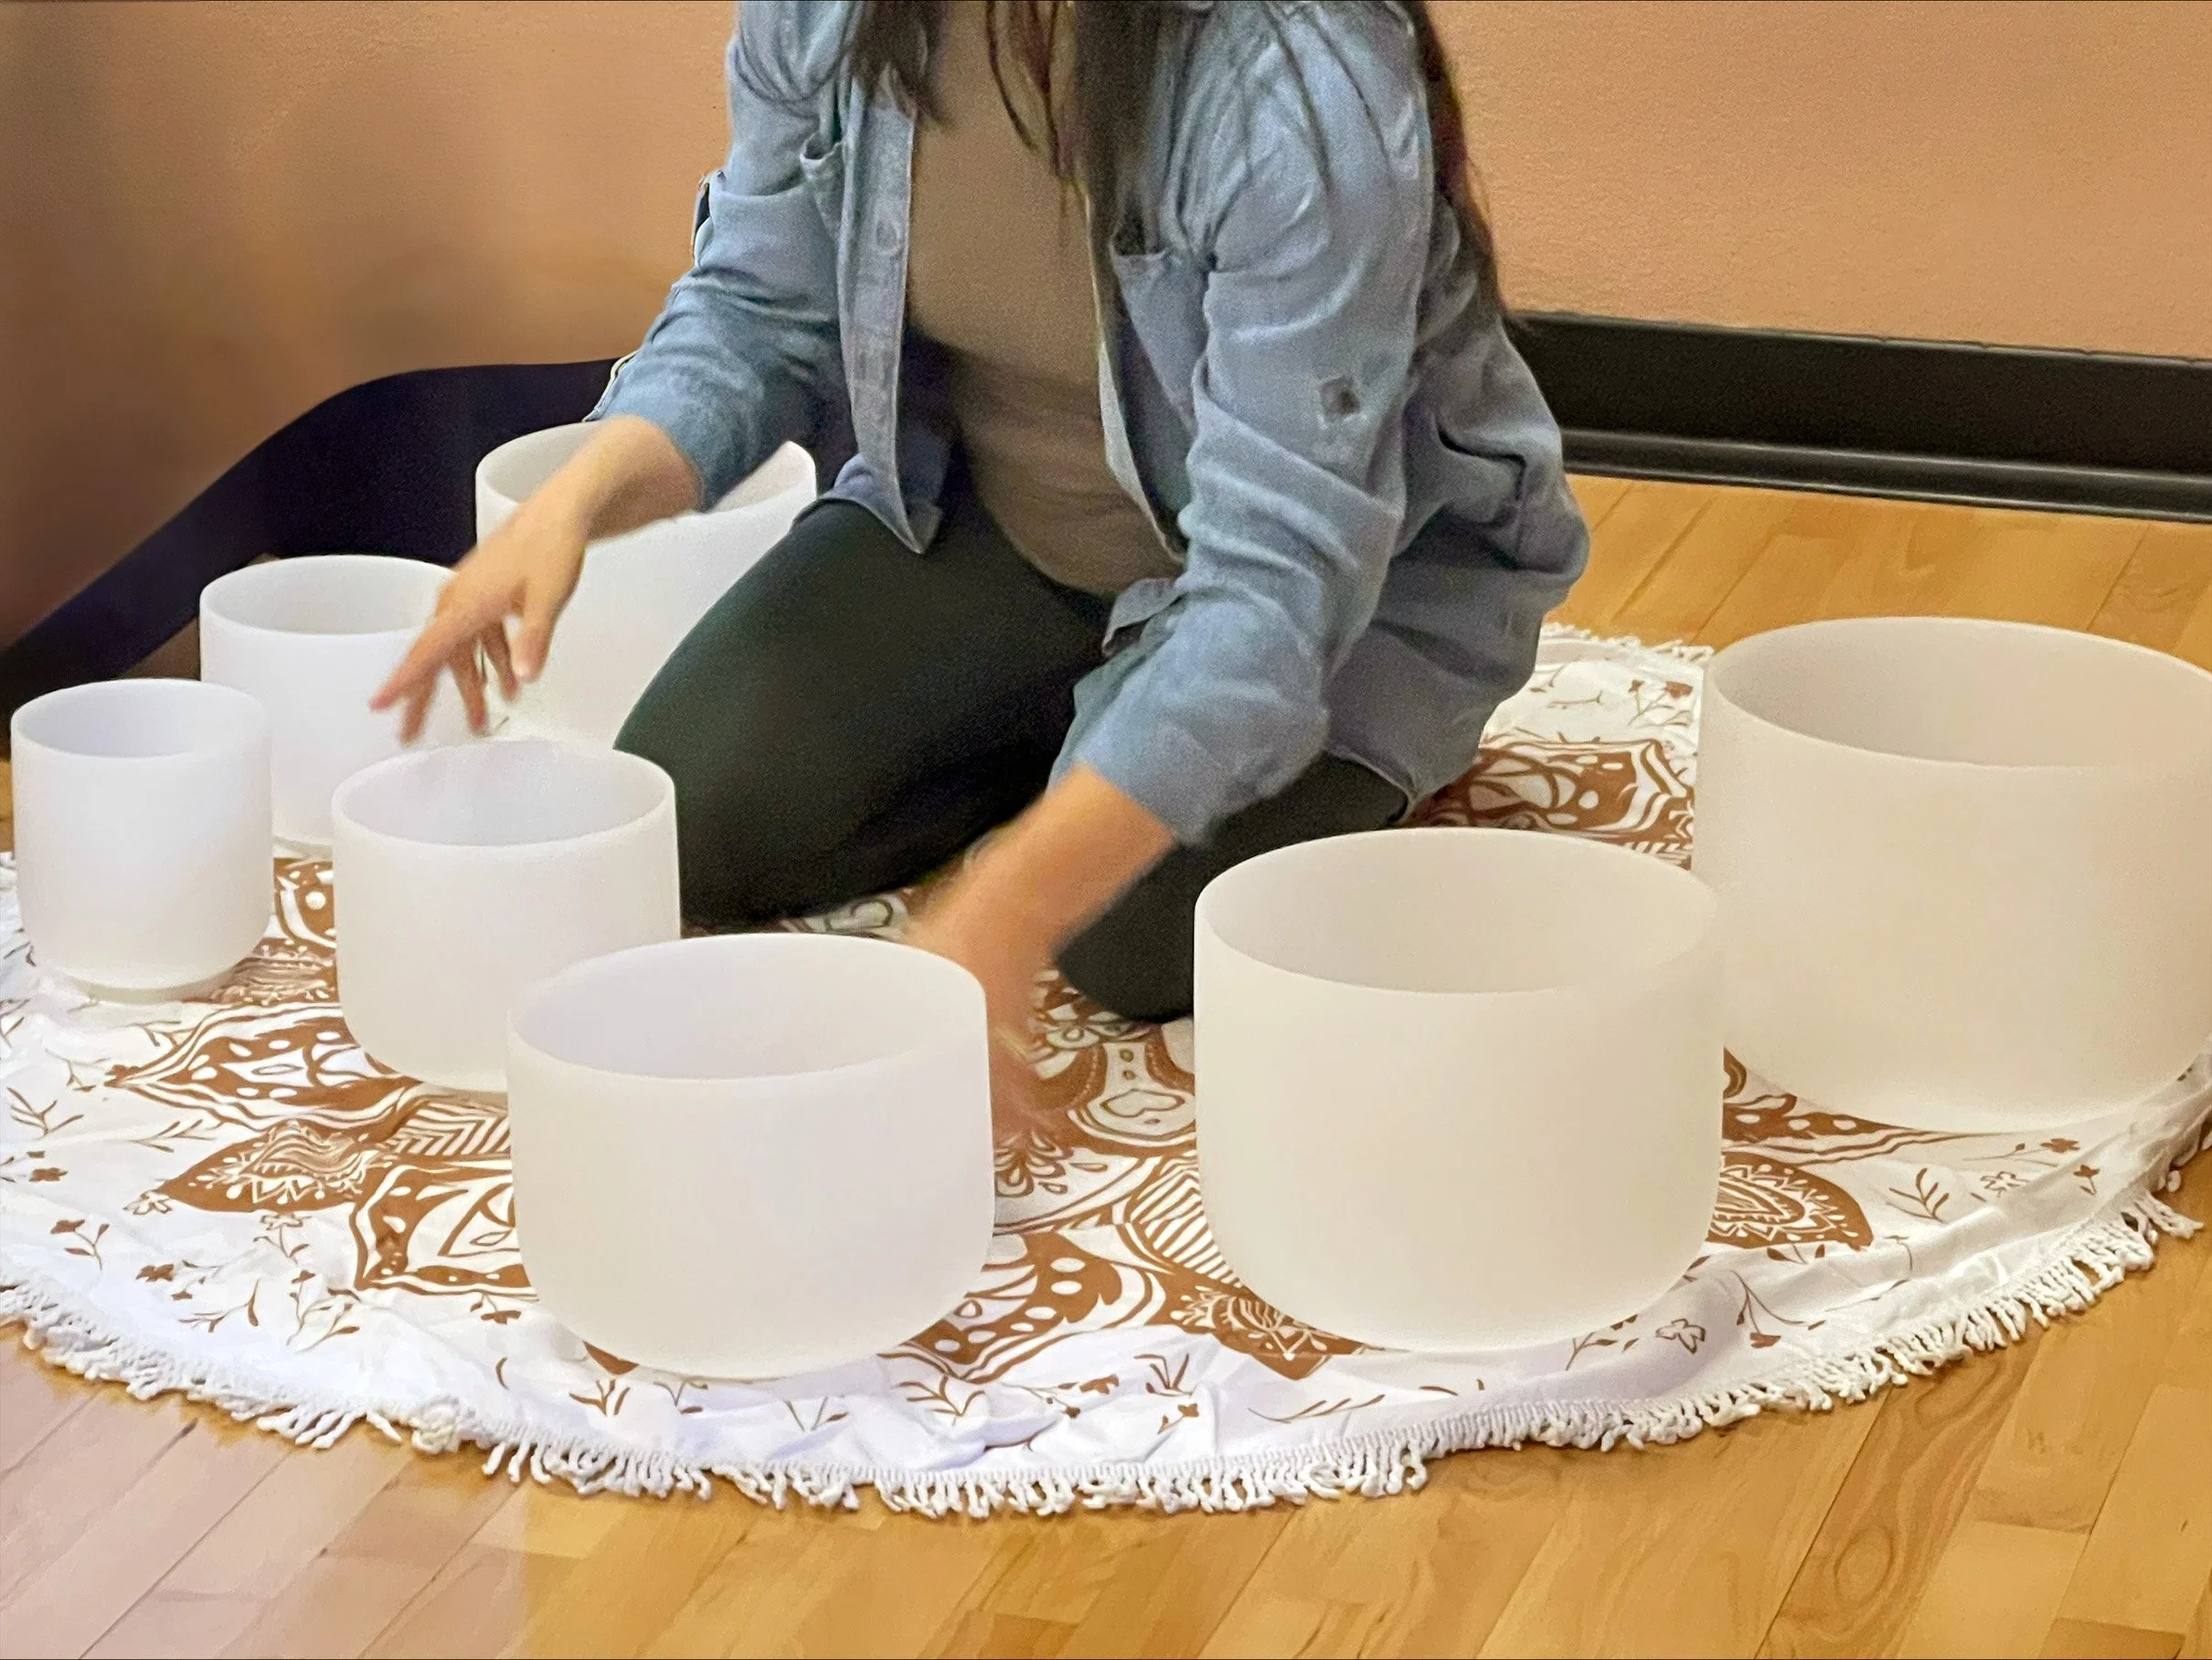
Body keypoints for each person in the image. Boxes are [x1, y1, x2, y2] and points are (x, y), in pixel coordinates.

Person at [373, 0, 1588, 1123]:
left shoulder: (1294, 75)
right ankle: (1081, 738)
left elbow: (1278, 587)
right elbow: (757, 310)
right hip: (995, 525)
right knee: (701, 823)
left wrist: (1008, 906)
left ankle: (1247, 751)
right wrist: (574, 501)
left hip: (1342, 600)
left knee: (1126, 942)